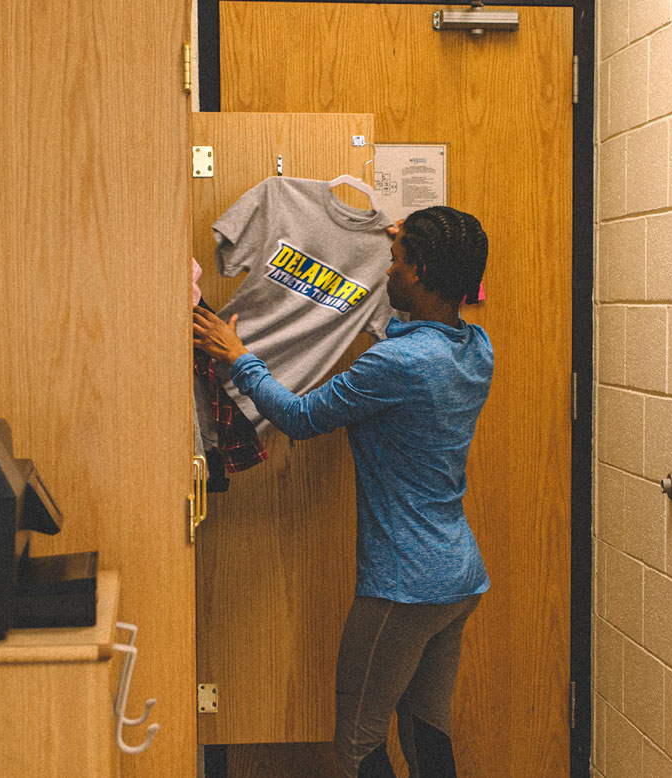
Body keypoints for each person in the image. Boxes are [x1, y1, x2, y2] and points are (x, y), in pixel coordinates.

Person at [192, 205, 492, 778]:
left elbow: (301, 418)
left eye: (397, 262)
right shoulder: (475, 348)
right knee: (427, 736)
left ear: (423, 272)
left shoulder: (396, 363)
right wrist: (408, 234)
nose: (385, 272)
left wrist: (240, 358)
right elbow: (417, 331)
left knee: (358, 743)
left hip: (403, 587)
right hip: (459, 578)